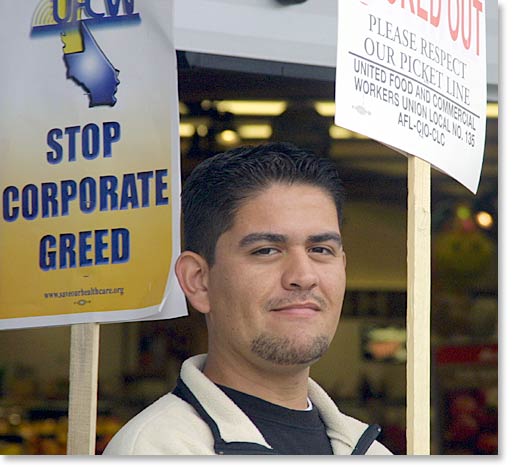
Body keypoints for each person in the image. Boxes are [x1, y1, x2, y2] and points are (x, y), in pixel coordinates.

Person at [104, 142, 392, 455]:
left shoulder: (371, 453)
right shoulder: (157, 450)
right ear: (198, 281)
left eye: (320, 250)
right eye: (266, 250)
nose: (304, 276)